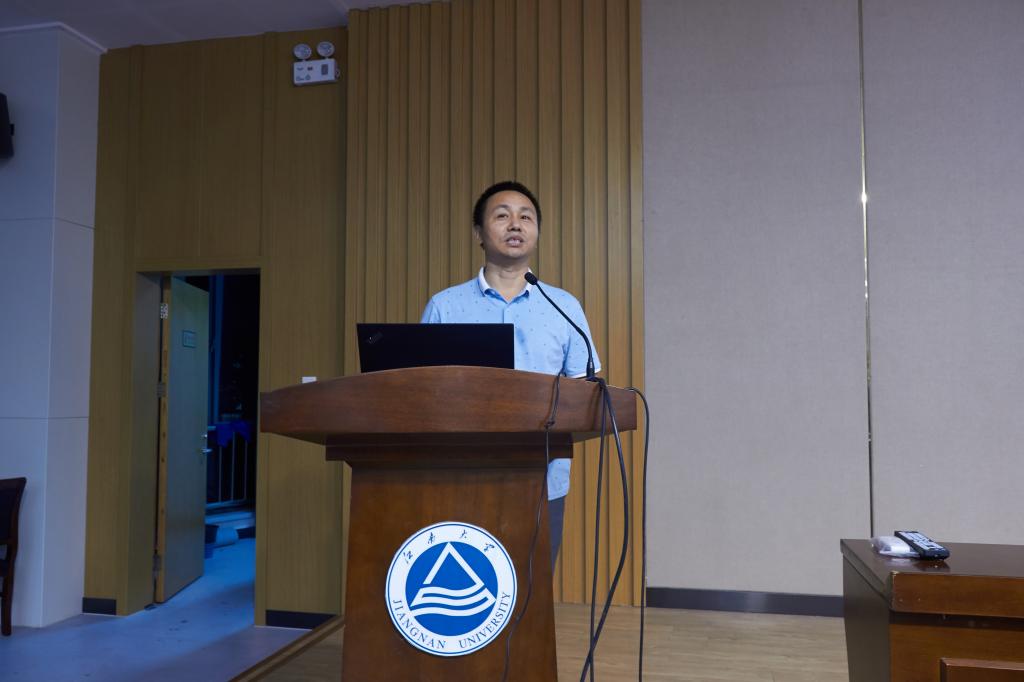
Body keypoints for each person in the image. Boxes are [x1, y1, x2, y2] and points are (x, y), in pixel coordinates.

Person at [420, 180, 601, 565]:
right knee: (468, 582)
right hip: (461, 475)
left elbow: (584, 390)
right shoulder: (445, 307)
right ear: (479, 234)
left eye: (526, 217)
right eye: (502, 216)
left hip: (543, 479)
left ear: (536, 232)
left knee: (535, 589)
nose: (515, 224)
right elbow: (421, 395)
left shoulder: (564, 306)